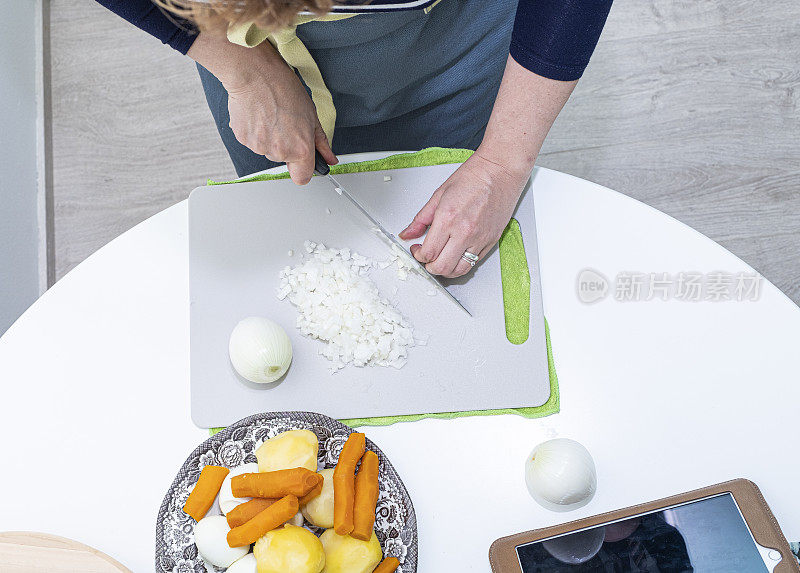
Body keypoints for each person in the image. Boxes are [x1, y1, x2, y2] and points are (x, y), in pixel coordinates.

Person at [96, 0, 612, 278]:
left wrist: (502, 163)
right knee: (289, 235)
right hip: (250, 47)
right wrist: (244, 68)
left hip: (452, 39)